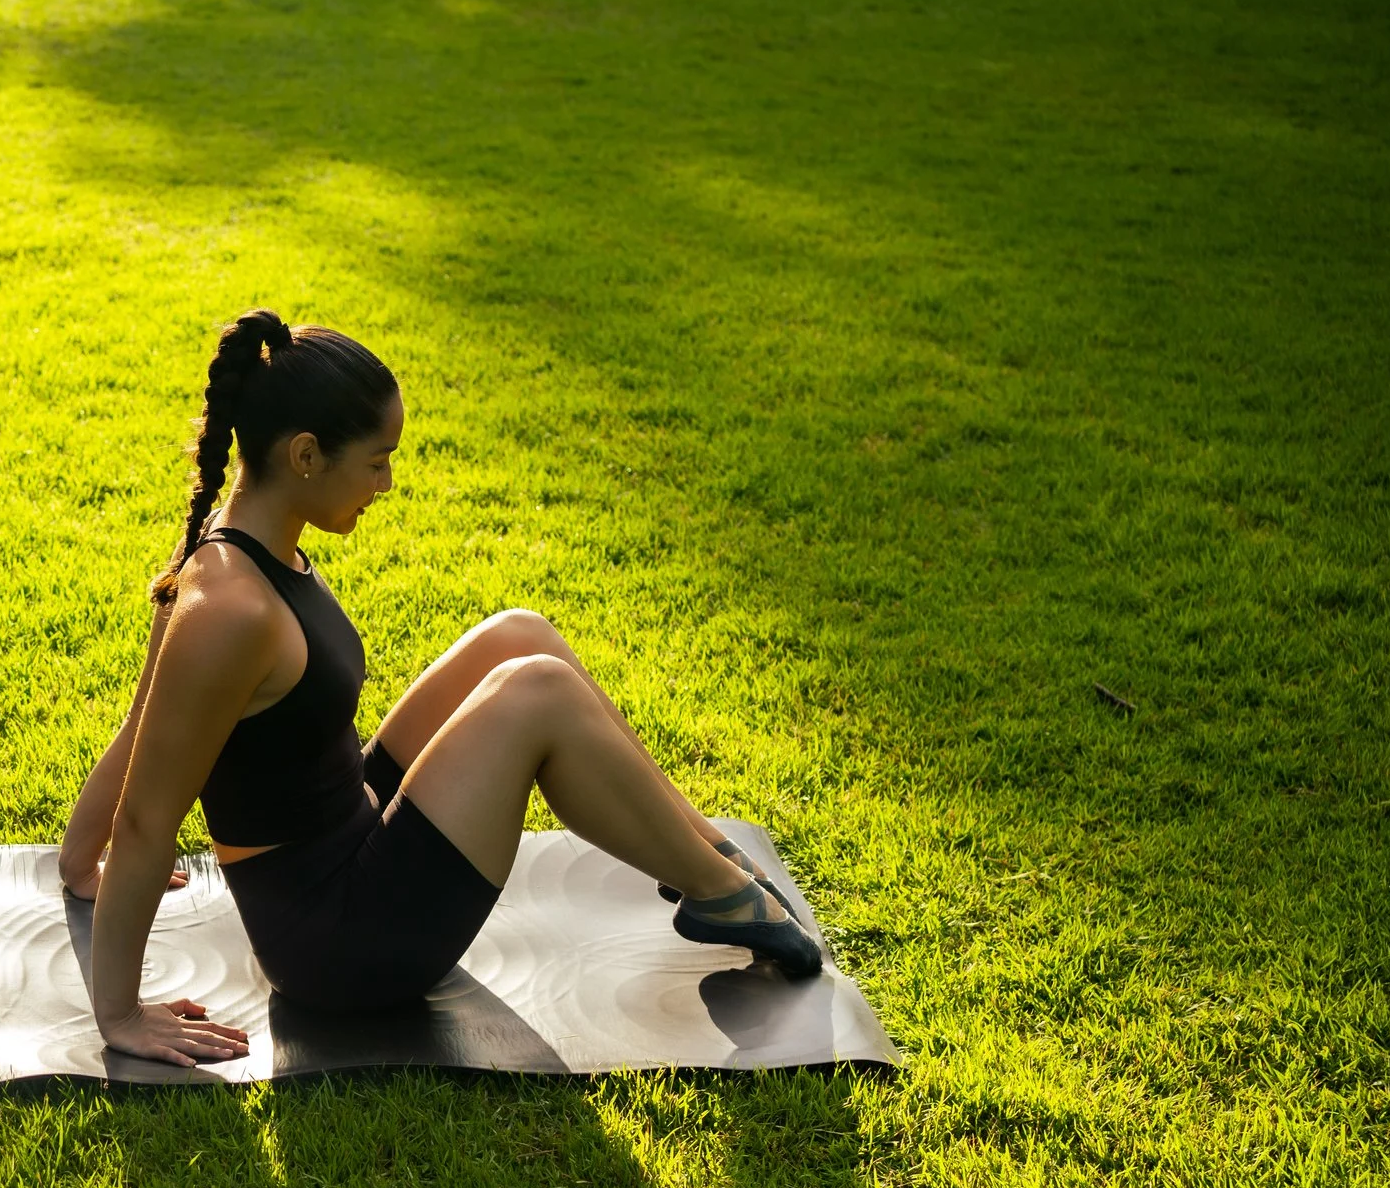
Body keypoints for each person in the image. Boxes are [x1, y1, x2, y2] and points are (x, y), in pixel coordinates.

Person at [58, 309, 820, 1068]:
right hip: (339, 942)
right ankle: (719, 889)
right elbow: (149, 818)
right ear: (305, 455)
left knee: (519, 636)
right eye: (377, 460)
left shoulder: (234, 549)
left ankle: (707, 854)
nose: (387, 482)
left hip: (349, 832)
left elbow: (138, 730)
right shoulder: (230, 611)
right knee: (537, 691)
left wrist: (75, 865)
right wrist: (120, 1012)